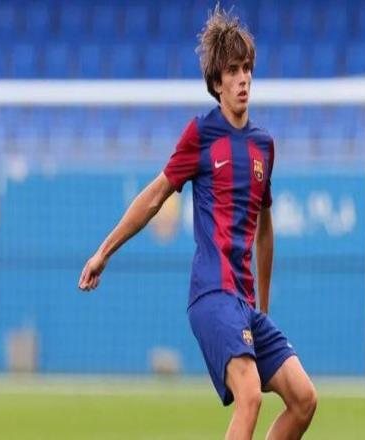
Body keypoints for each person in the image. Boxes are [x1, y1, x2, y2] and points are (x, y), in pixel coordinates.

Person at [78, 5, 317, 439]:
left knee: (304, 399)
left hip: (245, 302)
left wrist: (262, 306)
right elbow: (154, 197)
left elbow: (265, 230)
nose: (243, 79)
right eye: (233, 71)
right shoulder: (201, 134)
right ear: (216, 83)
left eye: (247, 69)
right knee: (250, 396)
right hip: (211, 294)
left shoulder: (264, 146)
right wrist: (103, 252)